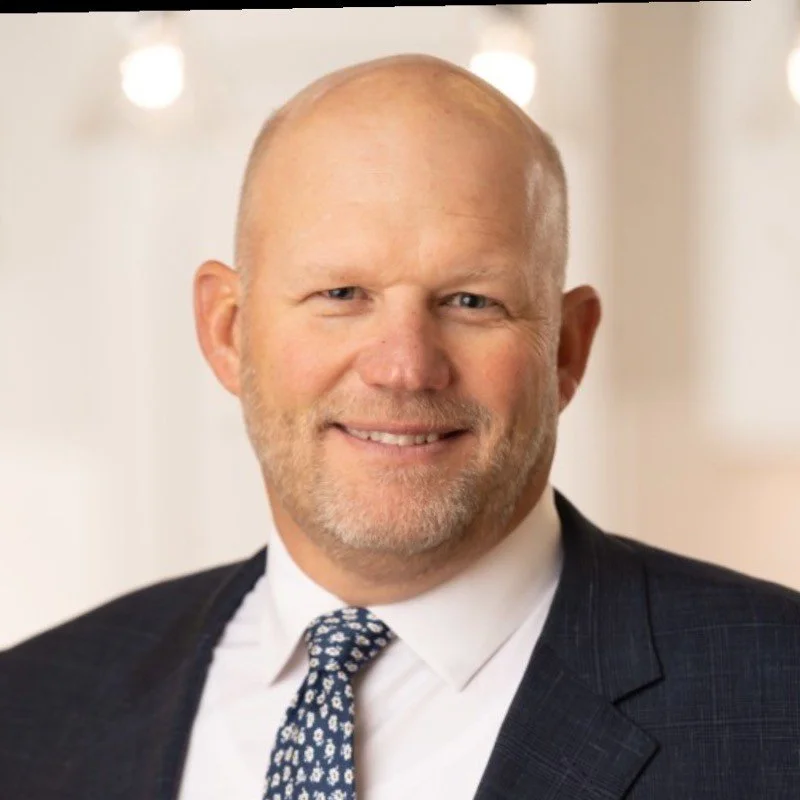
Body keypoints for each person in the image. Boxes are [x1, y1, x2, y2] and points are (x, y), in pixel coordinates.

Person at [1, 53, 798, 800]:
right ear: (227, 331)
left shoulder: (777, 696)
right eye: (342, 293)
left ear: (568, 347)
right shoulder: (32, 711)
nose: (404, 367)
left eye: (472, 301)